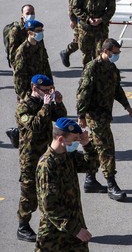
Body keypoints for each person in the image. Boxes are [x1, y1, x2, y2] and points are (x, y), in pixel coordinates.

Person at [77, 38, 132, 201]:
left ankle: (90, 179)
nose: (117, 55)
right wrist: (81, 115)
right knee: (107, 148)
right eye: (115, 53)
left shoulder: (112, 67)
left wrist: (127, 106)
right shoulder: (92, 68)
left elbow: (117, 89)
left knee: (95, 147)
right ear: (106, 51)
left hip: (105, 114)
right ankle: (111, 184)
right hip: (94, 115)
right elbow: (83, 93)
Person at [15, 75, 67, 243]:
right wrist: (45, 105)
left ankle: (53, 224)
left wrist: (57, 102)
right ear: (34, 88)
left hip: (47, 154)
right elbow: (35, 126)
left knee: (50, 189)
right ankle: (23, 225)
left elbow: (60, 120)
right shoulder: (24, 107)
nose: (48, 93)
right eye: (45, 91)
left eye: (50, 90)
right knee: (29, 193)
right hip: (30, 156)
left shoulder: (46, 102)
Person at [35, 118, 96, 251]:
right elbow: (49, 206)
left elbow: (91, 166)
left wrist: (86, 144)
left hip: (74, 224)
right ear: (61, 139)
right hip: (54, 233)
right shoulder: (47, 166)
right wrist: (75, 229)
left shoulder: (67, 156)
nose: (76, 142)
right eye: (75, 139)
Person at [72, 0, 116, 66]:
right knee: (86, 54)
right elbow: (75, 7)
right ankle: (87, 74)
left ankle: (99, 75)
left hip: (101, 29)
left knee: (101, 54)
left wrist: (102, 19)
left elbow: (111, 8)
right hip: (86, 29)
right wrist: (87, 19)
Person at [60, 0, 94, 68]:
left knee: (82, 39)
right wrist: (72, 19)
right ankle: (66, 52)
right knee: (81, 40)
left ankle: (66, 52)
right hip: (79, 16)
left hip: (88, 16)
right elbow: (71, 3)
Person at [13, 20, 52, 101]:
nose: (41, 32)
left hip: (41, 88)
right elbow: (18, 77)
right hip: (28, 91)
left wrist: (50, 85)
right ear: (30, 33)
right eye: (38, 31)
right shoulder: (22, 51)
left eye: (41, 30)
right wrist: (24, 96)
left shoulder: (39, 45)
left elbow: (45, 64)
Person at [6, 4, 36, 69]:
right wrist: (28, 41)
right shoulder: (16, 31)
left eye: (32, 13)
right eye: (27, 13)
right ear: (22, 15)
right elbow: (13, 57)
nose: (30, 15)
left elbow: (42, 54)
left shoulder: (36, 28)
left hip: (37, 69)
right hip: (23, 72)